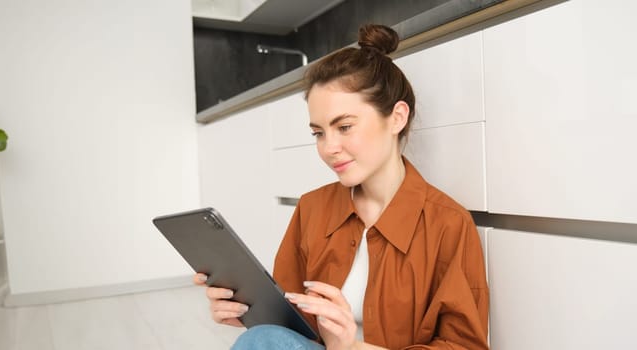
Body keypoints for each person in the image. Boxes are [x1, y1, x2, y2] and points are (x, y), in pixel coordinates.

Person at [194, 24, 489, 350]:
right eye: (318, 133)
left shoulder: (448, 224)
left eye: (344, 126)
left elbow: (464, 346)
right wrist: (247, 313)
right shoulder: (311, 209)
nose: (328, 147)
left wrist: (351, 347)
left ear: (396, 118)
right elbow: (288, 324)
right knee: (260, 338)